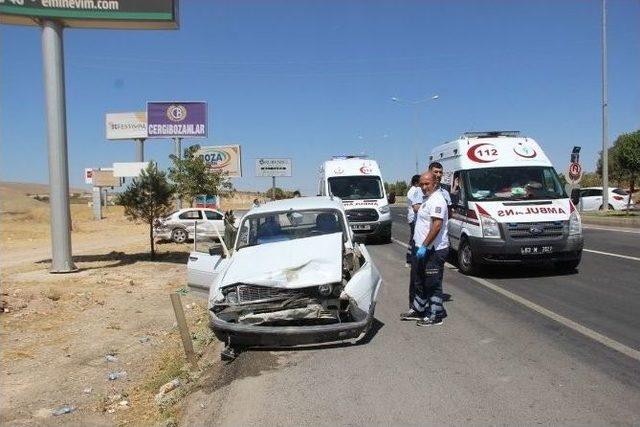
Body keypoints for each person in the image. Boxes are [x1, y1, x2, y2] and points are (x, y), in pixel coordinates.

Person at [400, 171, 450, 326]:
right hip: (421, 248)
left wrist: (424, 246)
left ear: (435, 183)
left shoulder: (438, 200)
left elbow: (436, 226)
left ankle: (436, 314)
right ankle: (418, 309)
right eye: (421, 184)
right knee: (419, 280)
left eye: (427, 183)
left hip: (433, 250)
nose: (423, 186)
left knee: (432, 283)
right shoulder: (427, 199)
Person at [405, 175, 423, 269]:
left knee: (413, 239)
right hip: (413, 218)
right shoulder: (414, 191)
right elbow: (416, 205)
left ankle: (410, 259)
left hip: (412, 217)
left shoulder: (412, 190)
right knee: (414, 239)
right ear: (416, 182)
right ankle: (410, 260)